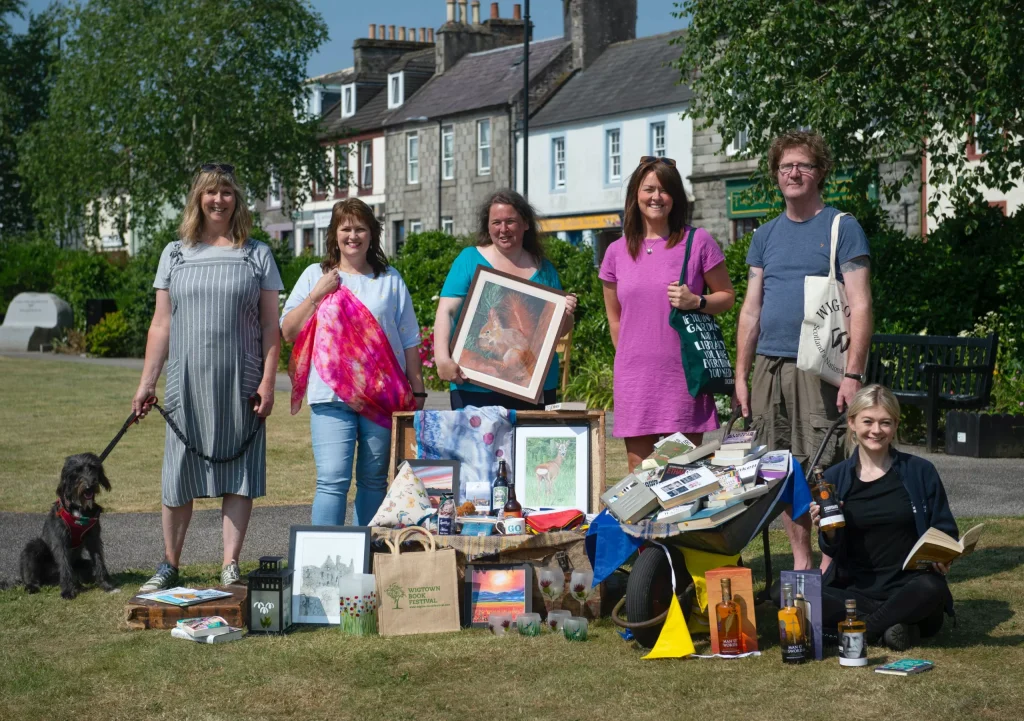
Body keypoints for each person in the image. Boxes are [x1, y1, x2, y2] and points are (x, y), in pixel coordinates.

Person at [133, 163, 284, 591]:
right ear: (198, 198)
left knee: (239, 471)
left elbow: (271, 326)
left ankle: (230, 564)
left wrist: (268, 382)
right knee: (178, 475)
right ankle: (169, 564)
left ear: (237, 199)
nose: (219, 200)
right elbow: (161, 325)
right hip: (185, 383)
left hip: (242, 381)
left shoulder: (257, 253)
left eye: (227, 193)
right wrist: (147, 382)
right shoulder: (174, 253)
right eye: (210, 193)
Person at [734, 131, 872, 571]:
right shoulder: (765, 235)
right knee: (780, 467)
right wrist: (740, 375)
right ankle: (801, 561)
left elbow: (861, 303)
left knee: (823, 464)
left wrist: (853, 374)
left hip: (819, 368)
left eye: (803, 165)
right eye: (785, 166)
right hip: (769, 367)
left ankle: (834, 565)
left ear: (820, 173)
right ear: (776, 175)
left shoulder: (841, 227)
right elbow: (751, 311)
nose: (793, 173)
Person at [281, 198, 426, 526]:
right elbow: (288, 330)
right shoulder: (314, 275)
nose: (353, 235)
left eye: (360, 228)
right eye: (345, 228)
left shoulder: (389, 280)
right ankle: (322, 567)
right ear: (334, 234)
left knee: (375, 481)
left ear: (372, 234)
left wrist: (418, 393)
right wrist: (318, 293)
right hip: (330, 398)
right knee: (332, 480)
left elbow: (410, 340)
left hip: (382, 398)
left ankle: (368, 560)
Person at [599, 156, 735, 472]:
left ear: (675, 197)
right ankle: (644, 526)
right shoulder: (616, 252)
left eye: (664, 190)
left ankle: (679, 525)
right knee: (639, 469)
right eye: (648, 189)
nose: (656, 197)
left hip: (682, 375)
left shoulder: (697, 241)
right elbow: (615, 318)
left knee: (679, 470)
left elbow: (727, 298)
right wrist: (629, 360)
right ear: (635, 195)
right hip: (635, 378)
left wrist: (697, 301)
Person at [809, 384, 955, 651]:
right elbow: (831, 546)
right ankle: (891, 627)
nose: (876, 430)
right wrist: (826, 530)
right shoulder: (833, 479)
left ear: (895, 425)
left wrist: (941, 557)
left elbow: (945, 529)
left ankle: (860, 632)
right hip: (855, 594)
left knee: (932, 588)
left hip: (910, 589)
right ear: (852, 423)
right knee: (788, 594)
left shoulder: (921, 471)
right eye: (868, 421)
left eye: (885, 422)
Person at [433, 189, 577, 410]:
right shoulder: (469, 260)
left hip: (533, 385)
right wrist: (442, 359)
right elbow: (447, 312)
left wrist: (566, 312)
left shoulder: (544, 269)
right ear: (487, 226)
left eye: (510, 222)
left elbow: (560, 330)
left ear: (526, 224)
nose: (503, 229)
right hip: (474, 385)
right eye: (496, 222)